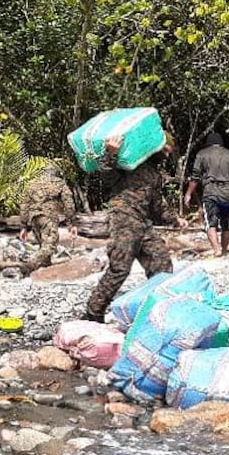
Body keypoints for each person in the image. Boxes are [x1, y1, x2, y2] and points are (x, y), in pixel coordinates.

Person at [83, 133, 175, 321]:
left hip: (143, 223)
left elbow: (157, 203)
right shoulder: (128, 162)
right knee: (120, 268)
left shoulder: (153, 173)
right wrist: (111, 153)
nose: (167, 156)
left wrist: (174, 219)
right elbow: (106, 177)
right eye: (165, 150)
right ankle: (93, 313)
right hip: (123, 219)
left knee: (162, 263)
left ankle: (162, 310)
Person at [183, 131, 229, 257]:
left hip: (210, 192)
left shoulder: (202, 154)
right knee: (226, 223)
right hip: (228, 192)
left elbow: (195, 176)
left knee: (211, 222)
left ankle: (217, 250)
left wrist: (188, 193)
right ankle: (225, 250)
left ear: (208, 143)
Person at [18, 160, 76, 274]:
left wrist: (23, 226)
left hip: (34, 218)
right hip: (48, 218)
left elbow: (24, 206)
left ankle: (46, 272)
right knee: (50, 246)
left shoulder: (32, 184)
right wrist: (71, 223)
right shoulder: (59, 183)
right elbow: (69, 203)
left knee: (43, 247)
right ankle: (29, 264)